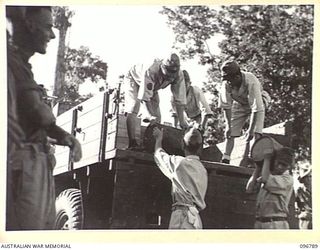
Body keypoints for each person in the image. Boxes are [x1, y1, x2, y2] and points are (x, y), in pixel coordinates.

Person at [6, 6, 82, 230]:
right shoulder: (12, 63)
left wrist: (65, 137)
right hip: (24, 166)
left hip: (29, 165)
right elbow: (39, 113)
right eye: (48, 26)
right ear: (29, 26)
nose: (52, 34)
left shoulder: (19, 65)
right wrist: (66, 136)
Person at [124, 53, 188, 150]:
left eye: (173, 74)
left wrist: (182, 122)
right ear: (163, 67)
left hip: (153, 87)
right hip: (135, 79)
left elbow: (179, 101)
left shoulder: (179, 75)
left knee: (158, 118)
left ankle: (153, 147)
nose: (170, 77)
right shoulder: (151, 70)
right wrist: (150, 115)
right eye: (168, 72)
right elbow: (145, 98)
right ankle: (132, 143)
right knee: (133, 108)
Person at [153, 126, 208, 229]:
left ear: (182, 144)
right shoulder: (202, 169)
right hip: (196, 220)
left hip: (181, 217)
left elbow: (159, 155)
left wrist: (158, 138)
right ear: (200, 147)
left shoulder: (178, 163)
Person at [218, 60, 266, 165]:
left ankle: (252, 159)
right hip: (240, 104)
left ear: (237, 77)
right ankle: (226, 158)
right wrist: (228, 126)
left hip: (259, 102)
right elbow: (227, 107)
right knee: (230, 132)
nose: (228, 82)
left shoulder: (251, 80)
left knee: (256, 132)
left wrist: (251, 129)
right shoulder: (226, 85)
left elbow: (256, 108)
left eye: (230, 80)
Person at [246, 147, 294, 229]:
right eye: (278, 162)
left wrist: (267, 159)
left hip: (276, 223)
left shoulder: (287, 179)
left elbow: (265, 179)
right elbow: (249, 189)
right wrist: (258, 167)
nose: (280, 167)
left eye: (284, 165)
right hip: (259, 222)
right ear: (274, 161)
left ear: (289, 167)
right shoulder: (269, 175)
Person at [295, 161, 312, 229]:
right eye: (306, 177)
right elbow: (296, 207)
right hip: (305, 219)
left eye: (310, 176)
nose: (309, 179)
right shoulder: (299, 191)